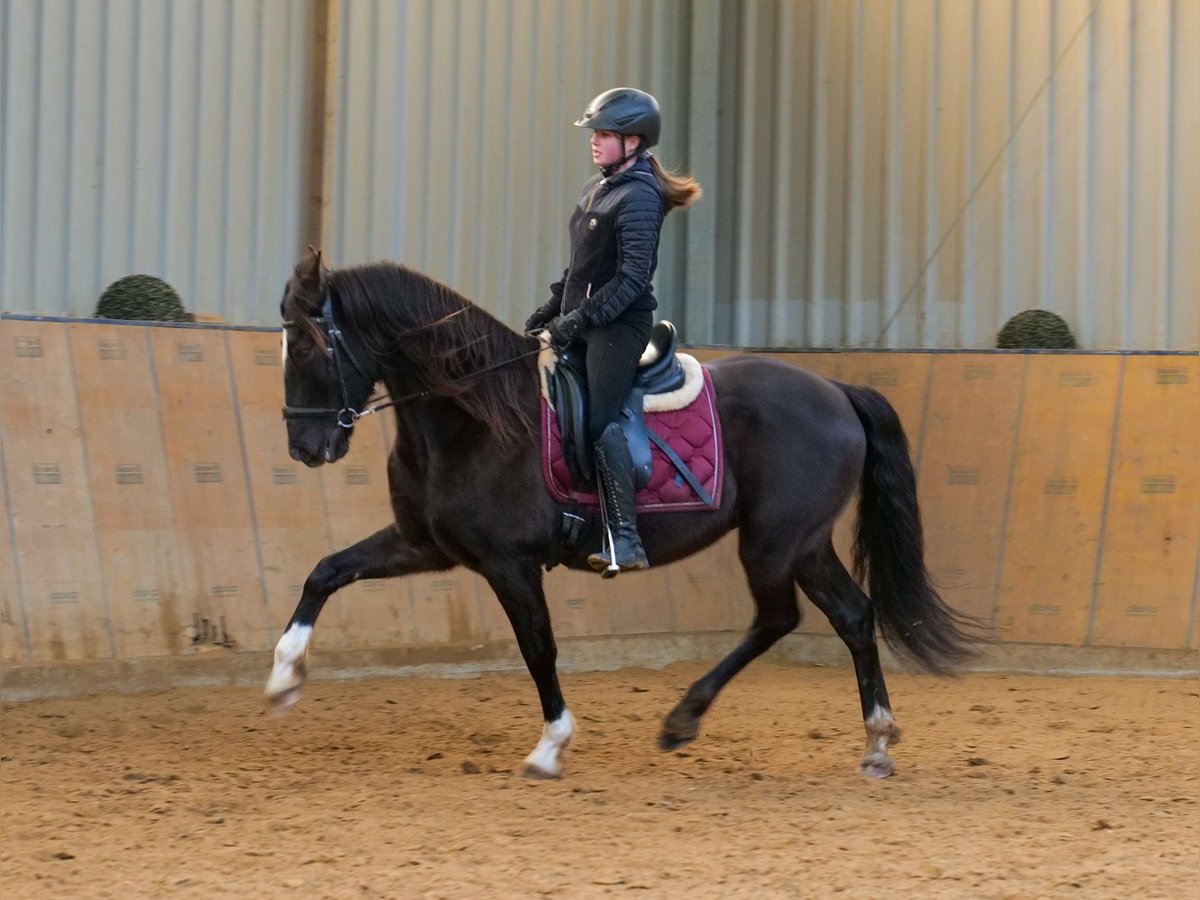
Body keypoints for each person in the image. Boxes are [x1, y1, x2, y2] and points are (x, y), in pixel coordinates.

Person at [525, 87, 701, 576]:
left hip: (621, 324)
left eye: (605, 134)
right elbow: (581, 266)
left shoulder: (641, 195)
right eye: (595, 133)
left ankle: (626, 538)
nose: (595, 142)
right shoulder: (598, 186)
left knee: (601, 416)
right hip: (586, 318)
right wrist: (551, 307)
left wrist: (576, 321)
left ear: (634, 141)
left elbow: (631, 280)